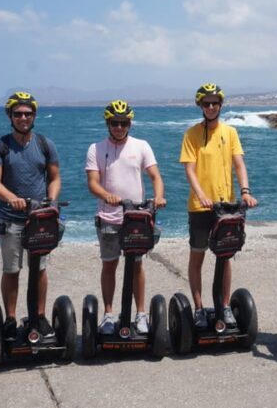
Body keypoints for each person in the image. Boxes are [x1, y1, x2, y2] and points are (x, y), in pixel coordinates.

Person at [179, 83, 257, 328]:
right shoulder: (191, 134)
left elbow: (239, 164)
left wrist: (245, 192)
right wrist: (200, 194)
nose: (211, 107)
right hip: (200, 207)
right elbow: (189, 169)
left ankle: (224, 305)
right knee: (198, 255)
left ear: (220, 105)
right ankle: (200, 307)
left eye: (214, 103)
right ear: (200, 106)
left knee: (225, 256)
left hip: (226, 207)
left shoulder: (230, 133)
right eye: (206, 103)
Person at [86, 100, 166, 335]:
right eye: (115, 123)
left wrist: (158, 197)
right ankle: (109, 314)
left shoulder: (141, 146)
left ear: (129, 123)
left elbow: (155, 176)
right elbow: (92, 182)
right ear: (108, 123)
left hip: (136, 218)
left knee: (137, 266)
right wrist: (107, 195)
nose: (119, 127)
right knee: (109, 264)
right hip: (109, 217)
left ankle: (141, 314)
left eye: (123, 123)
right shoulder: (96, 149)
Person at [0, 92, 61, 341]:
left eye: (28, 113)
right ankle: (9, 319)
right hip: (10, 219)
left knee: (39, 269)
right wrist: (11, 198)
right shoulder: (0, 146)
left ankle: (39, 316)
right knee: (12, 270)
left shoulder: (45, 144)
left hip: (39, 218)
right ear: (10, 116)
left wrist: (51, 199)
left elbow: (55, 178)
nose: (23, 118)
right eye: (18, 114)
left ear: (34, 115)